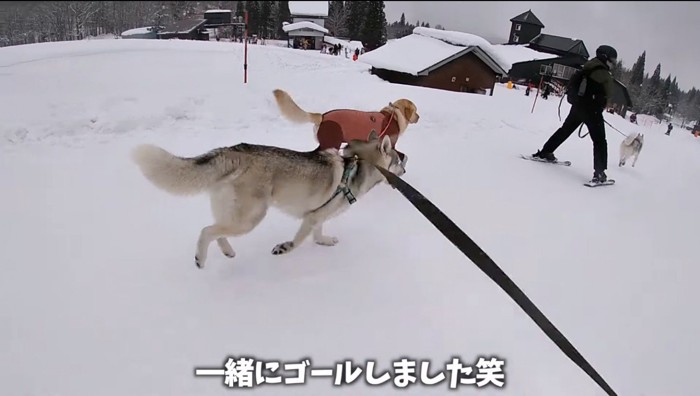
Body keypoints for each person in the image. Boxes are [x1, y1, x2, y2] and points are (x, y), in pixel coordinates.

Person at [531, 45, 618, 184]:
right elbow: (609, 93)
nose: (613, 63)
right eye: (612, 59)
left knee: (564, 130)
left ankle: (545, 152)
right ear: (606, 57)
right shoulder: (604, 74)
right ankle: (600, 174)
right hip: (593, 111)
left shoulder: (587, 66)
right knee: (600, 141)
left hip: (578, 107)